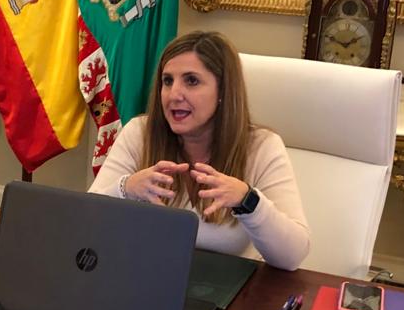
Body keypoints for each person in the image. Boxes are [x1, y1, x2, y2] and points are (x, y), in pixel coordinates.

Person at [88, 32, 310, 271]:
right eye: (167, 81)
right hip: (143, 280)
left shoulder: (261, 147)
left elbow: (292, 256)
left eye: (191, 81)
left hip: (225, 295)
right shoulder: (139, 134)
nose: (174, 95)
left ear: (223, 92)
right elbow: (84, 225)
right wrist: (125, 188)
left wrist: (247, 200)